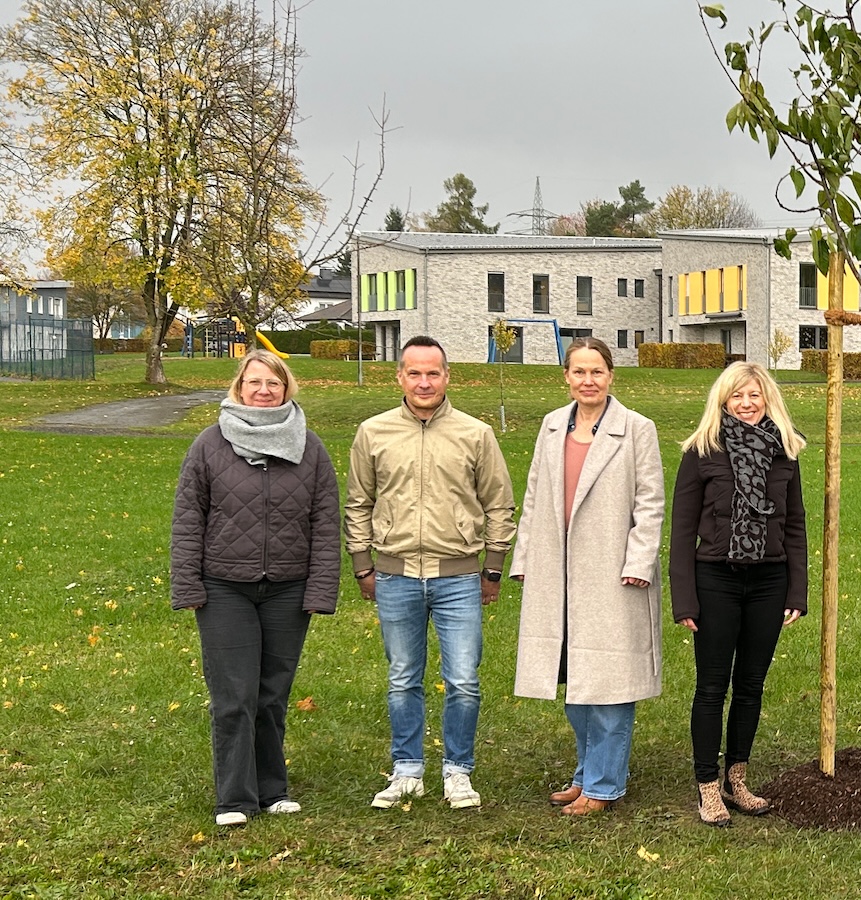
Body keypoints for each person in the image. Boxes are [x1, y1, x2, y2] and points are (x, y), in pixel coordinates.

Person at [345, 335, 515, 811]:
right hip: (395, 575)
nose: (424, 381)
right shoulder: (373, 432)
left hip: (458, 578)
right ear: (399, 376)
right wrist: (362, 563)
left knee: (464, 680)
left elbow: (498, 503)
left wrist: (493, 567)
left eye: (433, 372)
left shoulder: (475, 434)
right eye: (414, 372)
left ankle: (458, 770)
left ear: (447, 376)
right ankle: (407, 770)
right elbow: (359, 502)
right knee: (404, 678)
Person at [171, 350, 340, 827]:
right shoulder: (209, 445)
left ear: (287, 389)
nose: (263, 391)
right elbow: (188, 519)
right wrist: (187, 585)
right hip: (224, 587)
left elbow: (326, 525)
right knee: (232, 697)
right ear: (239, 387)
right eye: (254, 382)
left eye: (274, 383)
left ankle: (272, 790)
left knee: (271, 696)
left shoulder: (310, 448)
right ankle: (234, 799)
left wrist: (321, 590)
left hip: (288, 589)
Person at [511, 338, 665, 816]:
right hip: (557, 574)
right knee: (574, 684)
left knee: (610, 685)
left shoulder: (637, 429)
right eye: (579, 372)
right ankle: (585, 773)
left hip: (614, 576)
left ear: (611, 375)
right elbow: (535, 496)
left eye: (596, 372)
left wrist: (638, 564)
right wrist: (524, 560)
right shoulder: (551, 426)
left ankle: (603, 784)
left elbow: (651, 503)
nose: (588, 381)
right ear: (566, 376)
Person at [671, 362, 808, 827]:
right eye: (737, 396)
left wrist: (797, 589)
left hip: (769, 581)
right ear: (723, 401)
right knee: (712, 687)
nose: (746, 404)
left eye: (754, 395)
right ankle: (707, 785)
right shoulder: (702, 451)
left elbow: (795, 527)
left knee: (750, 686)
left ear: (768, 399)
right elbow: (682, 530)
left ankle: (737, 779)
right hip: (715, 579)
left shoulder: (784, 452)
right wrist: (684, 599)